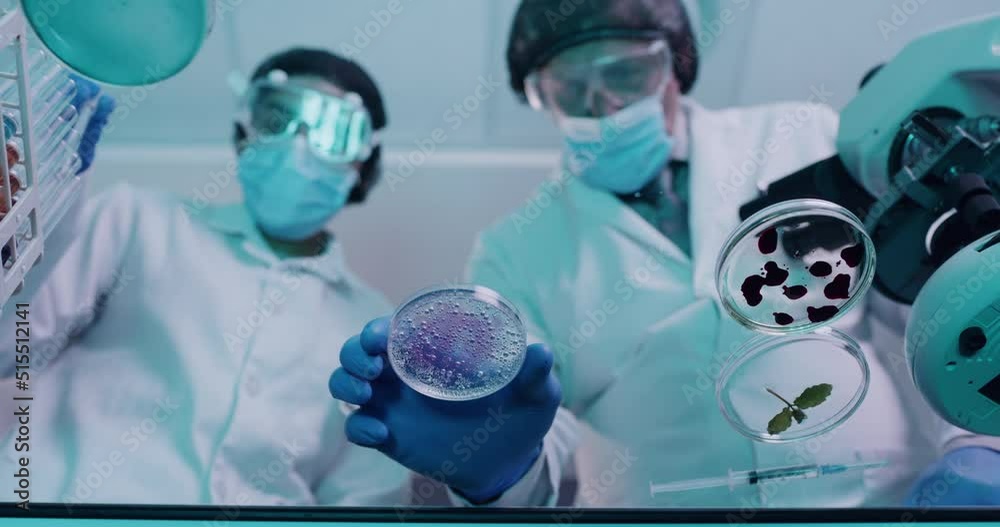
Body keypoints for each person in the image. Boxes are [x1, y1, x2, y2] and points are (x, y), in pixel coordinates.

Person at [331, 0, 1000, 508]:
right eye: (571, 88)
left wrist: (977, 445)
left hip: (882, 502)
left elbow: (938, 309)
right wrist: (496, 466)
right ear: (540, 98)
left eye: (626, 73)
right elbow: (538, 418)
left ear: (675, 65)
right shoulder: (516, 247)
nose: (604, 104)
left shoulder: (802, 136)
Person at [0, 48, 410, 506]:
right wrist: (37, 225)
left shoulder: (377, 327)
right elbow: (9, 347)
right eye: (277, 119)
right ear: (243, 135)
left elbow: (366, 498)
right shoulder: (138, 218)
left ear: (363, 167)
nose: (299, 145)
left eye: (334, 133)